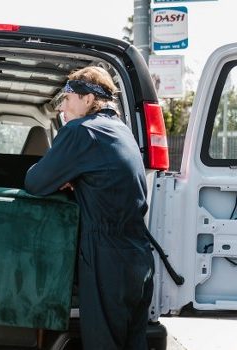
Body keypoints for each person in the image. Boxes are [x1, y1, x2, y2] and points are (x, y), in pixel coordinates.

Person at [25, 67, 154, 349]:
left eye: (67, 98)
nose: (61, 106)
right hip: (138, 256)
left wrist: (66, 179)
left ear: (87, 99)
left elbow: (35, 182)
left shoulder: (81, 131)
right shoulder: (121, 131)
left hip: (105, 258)